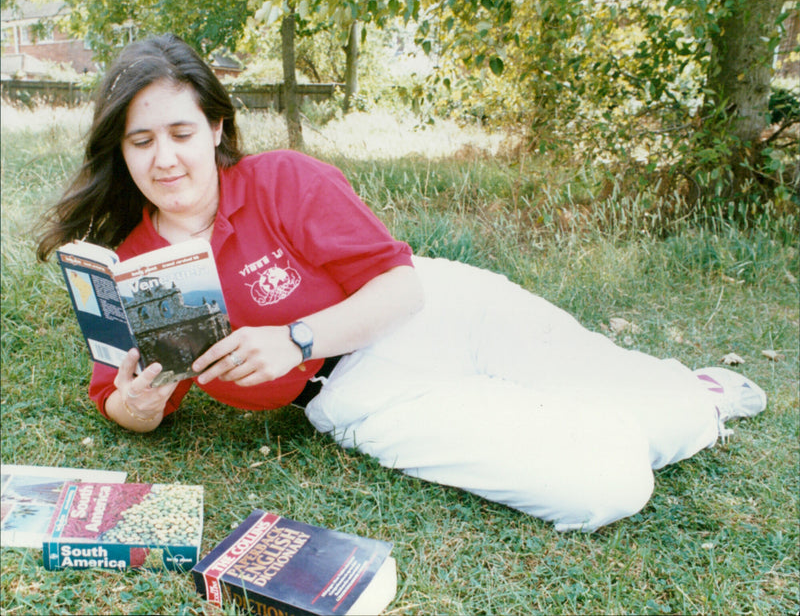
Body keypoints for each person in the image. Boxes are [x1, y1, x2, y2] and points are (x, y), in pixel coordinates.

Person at [36, 35, 767, 532]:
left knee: (679, 416)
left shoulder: (282, 179)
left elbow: (402, 288)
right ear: (120, 151)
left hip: (441, 311)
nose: (165, 159)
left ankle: (679, 394)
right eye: (141, 141)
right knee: (609, 486)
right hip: (358, 393)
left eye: (181, 133)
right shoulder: (129, 265)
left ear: (217, 129)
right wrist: (138, 406)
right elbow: (119, 401)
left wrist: (293, 339)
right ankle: (587, 418)